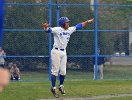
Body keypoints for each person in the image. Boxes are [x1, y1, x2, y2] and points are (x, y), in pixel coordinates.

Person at [42, 17, 94, 98]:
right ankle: (53, 88)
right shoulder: (57, 29)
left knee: (63, 72)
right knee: (55, 71)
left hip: (63, 52)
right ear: (63, 24)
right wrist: (45, 27)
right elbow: (48, 30)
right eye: (67, 22)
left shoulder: (70, 29)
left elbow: (79, 26)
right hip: (56, 51)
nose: (68, 23)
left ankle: (61, 86)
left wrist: (87, 22)